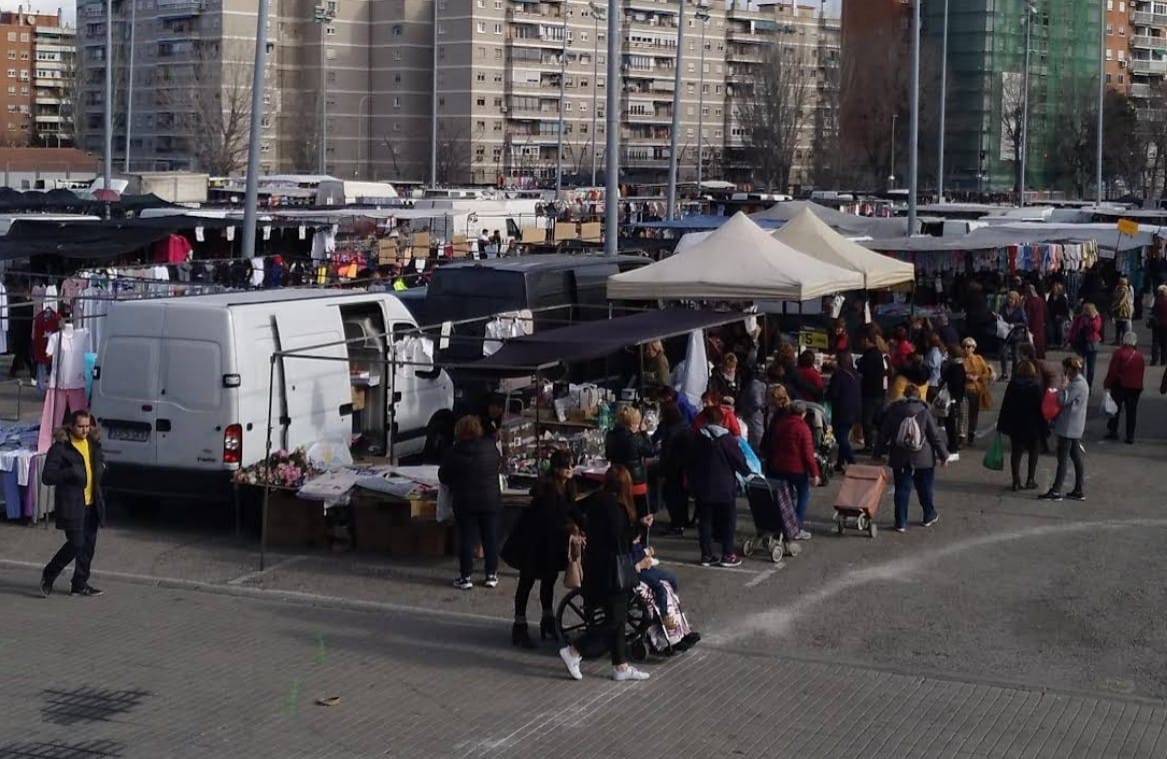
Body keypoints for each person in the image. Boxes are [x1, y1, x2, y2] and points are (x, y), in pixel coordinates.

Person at [557, 466, 652, 682]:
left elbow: (572, 508)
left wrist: (585, 529)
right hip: (612, 570)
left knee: (618, 618)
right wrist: (639, 527)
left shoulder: (597, 499)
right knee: (615, 619)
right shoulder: (616, 508)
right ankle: (574, 651)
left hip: (597, 566)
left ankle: (620, 665)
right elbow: (621, 540)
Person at [502, 450, 581, 648]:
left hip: (550, 542)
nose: (570, 469)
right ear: (556, 468)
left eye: (572, 465)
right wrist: (570, 529)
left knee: (549, 580)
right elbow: (551, 518)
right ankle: (519, 625)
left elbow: (572, 510)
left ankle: (547, 619)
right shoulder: (547, 489)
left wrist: (584, 527)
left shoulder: (568, 486)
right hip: (533, 541)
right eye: (565, 465)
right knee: (527, 581)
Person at [40, 410, 106, 598]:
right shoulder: (61, 448)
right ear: (71, 426)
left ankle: (79, 583)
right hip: (72, 505)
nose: (84, 430)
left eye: (87, 426)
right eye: (80, 426)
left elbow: (98, 461)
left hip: (92, 503)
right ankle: (49, 574)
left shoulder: (92, 442)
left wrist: (101, 467)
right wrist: (69, 472)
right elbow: (47, 477)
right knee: (76, 543)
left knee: (88, 546)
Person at [438, 416, 502, 590]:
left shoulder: (454, 451)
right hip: (490, 500)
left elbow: (443, 476)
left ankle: (465, 577)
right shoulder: (490, 447)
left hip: (465, 502)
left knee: (467, 539)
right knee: (490, 537)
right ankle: (491, 574)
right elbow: (497, 464)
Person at [874, 384, 949, 532]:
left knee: (902, 489)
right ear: (919, 396)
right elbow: (934, 437)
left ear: (904, 395)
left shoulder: (894, 411)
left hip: (900, 457)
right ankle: (928, 515)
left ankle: (900, 522)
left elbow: (883, 434)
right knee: (925, 488)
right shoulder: (925, 412)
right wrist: (943, 455)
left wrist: (877, 454)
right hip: (924, 457)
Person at [687, 405, 751, 568]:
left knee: (705, 521)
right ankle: (727, 554)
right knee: (727, 521)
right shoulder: (727, 439)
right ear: (722, 421)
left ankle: (706, 555)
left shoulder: (697, 438)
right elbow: (739, 461)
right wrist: (747, 472)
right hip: (724, 487)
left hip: (703, 486)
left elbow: (690, 462)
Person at [766, 399, 820, 540]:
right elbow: (808, 454)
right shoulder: (803, 428)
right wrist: (815, 473)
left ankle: (784, 525)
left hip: (779, 466)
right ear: (803, 413)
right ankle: (796, 527)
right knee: (803, 495)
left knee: (785, 497)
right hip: (797, 468)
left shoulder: (780, 425)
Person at [1041, 356, 1089, 502]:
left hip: (1068, 427)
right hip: (1075, 426)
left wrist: (1063, 386)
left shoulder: (1076, 385)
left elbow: (1062, 400)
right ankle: (1078, 489)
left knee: (1062, 459)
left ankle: (1056, 490)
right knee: (1076, 457)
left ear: (1070, 369)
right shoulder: (1082, 382)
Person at [997, 360, 1046, 492]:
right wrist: (1044, 426)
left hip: (1016, 423)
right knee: (1034, 451)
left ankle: (1016, 481)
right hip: (1033, 424)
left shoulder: (1013, 385)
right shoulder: (1035, 386)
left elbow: (1006, 404)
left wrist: (1002, 424)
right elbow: (1040, 407)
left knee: (1016, 453)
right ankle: (1030, 479)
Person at [605, 406, 654, 531]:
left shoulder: (610, 436)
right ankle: (640, 538)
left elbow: (608, 455)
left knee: (621, 512)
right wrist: (644, 433)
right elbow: (650, 451)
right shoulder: (635, 438)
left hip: (617, 478)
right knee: (641, 515)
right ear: (633, 424)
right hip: (635, 481)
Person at [656, 401, 693, 536]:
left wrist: (661, 468)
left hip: (673, 467)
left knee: (671, 495)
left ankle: (676, 524)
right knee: (681, 496)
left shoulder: (671, 430)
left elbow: (667, 452)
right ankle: (682, 521)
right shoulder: (684, 425)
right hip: (684, 466)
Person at [1103, 330, 1146, 445]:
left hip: (1120, 385)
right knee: (1131, 412)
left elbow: (1113, 370)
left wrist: (1107, 383)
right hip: (1135, 387)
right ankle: (1130, 435)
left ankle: (1113, 430)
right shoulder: (1139, 356)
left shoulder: (1119, 353)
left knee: (1115, 409)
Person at [825, 350, 861, 472]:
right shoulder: (855, 374)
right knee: (844, 434)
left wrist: (826, 394)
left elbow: (834, 393)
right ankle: (840, 463)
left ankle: (851, 461)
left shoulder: (838, 375)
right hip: (854, 409)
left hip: (841, 410)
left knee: (841, 437)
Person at [857, 332, 890, 453]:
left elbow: (862, 369)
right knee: (877, 419)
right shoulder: (878, 354)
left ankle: (869, 445)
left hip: (870, 392)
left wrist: (859, 363)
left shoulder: (870, 355)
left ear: (867, 340)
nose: (860, 343)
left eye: (862, 340)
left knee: (867, 420)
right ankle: (881, 443)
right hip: (879, 392)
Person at [961, 338, 992, 446]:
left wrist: (978, 377)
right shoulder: (960, 359)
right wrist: (965, 376)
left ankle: (971, 434)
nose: (966, 348)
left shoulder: (978, 359)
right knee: (962, 413)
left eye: (969, 346)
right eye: (964, 346)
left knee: (973, 413)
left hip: (975, 390)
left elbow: (986, 373)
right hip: (963, 389)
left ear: (974, 348)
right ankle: (961, 435)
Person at [939, 343, 967, 456]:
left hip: (952, 398)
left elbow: (953, 383)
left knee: (950, 423)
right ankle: (952, 445)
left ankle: (953, 446)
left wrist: (953, 397)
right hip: (955, 397)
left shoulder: (955, 367)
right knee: (950, 423)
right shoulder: (959, 366)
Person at [1068, 303, 1103, 387]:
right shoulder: (1080, 318)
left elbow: (1096, 328)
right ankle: (1082, 384)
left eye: (1088, 310)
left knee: (1091, 368)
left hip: (1092, 344)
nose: (1086, 312)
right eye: (1085, 310)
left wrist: (1092, 319)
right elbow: (1073, 329)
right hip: (1081, 343)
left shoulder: (1096, 318)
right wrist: (1070, 339)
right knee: (1080, 366)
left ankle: (1089, 385)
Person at [998, 290, 1028, 381]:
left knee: (1015, 356)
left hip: (1016, 334)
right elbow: (999, 316)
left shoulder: (1020, 309)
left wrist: (1015, 325)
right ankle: (1004, 373)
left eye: (1012, 299)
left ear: (1016, 300)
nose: (1010, 300)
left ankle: (1014, 375)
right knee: (1003, 353)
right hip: (1005, 333)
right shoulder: (1003, 308)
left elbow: (1025, 322)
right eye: (1009, 298)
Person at [1023, 284, 1049, 359]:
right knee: (1040, 338)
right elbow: (1046, 311)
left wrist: (1027, 323)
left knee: (1033, 338)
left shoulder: (1029, 301)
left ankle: (1034, 354)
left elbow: (1027, 313)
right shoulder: (1041, 300)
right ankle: (1040, 353)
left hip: (1032, 323)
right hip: (1040, 322)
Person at [1111, 276, 1134, 344]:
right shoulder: (1123, 288)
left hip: (1123, 310)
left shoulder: (1123, 290)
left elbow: (1121, 301)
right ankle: (1120, 340)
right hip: (1123, 309)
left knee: (1122, 326)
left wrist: (1114, 306)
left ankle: (1122, 341)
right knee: (1120, 325)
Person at [1047, 283, 1071, 349]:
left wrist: (1060, 315)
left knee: (1060, 330)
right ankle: (1052, 343)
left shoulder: (1063, 298)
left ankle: (1060, 343)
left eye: (1055, 288)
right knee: (1051, 330)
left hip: (1060, 317)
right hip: (1052, 316)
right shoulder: (1051, 297)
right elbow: (1048, 305)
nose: (1054, 289)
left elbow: (1065, 309)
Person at [923, 333, 945, 402]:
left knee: (930, 401)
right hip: (931, 381)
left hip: (933, 382)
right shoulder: (932, 351)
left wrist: (922, 362)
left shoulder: (935, 352)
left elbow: (933, 364)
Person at [1150, 284, 1167, 366]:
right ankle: (1163, 360)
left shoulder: (1156, 300)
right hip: (1165, 325)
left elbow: (1153, 311)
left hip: (1157, 324)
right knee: (1164, 344)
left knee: (1155, 342)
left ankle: (1154, 359)